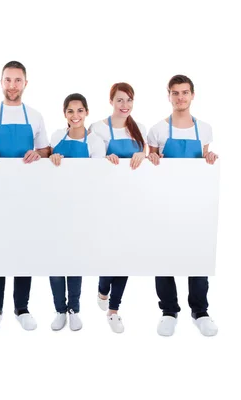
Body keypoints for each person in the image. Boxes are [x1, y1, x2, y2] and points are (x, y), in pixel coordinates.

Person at [0, 61, 50, 331]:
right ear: (1, 82)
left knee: (24, 249)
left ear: (25, 83)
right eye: (8, 80)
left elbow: (46, 151)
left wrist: (38, 154)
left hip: (27, 195)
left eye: (18, 80)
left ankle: (22, 307)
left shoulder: (36, 116)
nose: (12, 85)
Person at [146, 74, 218, 337]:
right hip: (163, 203)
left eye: (184, 92)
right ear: (169, 96)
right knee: (163, 257)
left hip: (195, 203)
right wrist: (151, 158)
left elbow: (203, 164)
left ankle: (200, 312)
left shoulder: (205, 129)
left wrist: (208, 156)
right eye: (175, 93)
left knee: (197, 256)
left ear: (192, 95)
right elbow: (149, 165)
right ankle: (168, 311)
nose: (180, 97)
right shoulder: (157, 129)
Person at [88, 82, 147, 333]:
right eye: (120, 100)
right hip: (105, 201)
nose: (125, 105)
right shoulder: (97, 128)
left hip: (132, 201)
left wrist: (144, 155)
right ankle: (102, 288)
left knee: (126, 256)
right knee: (109, 252)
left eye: (129, 100)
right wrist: (105, 159)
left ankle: (114, 310)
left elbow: (150, 161)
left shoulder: (140, 129)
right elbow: (92, 160)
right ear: (111, 101)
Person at [48, 93, 106, 331]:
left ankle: (74, 309)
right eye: (70, 111)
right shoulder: (55, 137)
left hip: (81, 208)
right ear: (65, 114)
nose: (75, 116)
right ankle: (59, 310)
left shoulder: (95, 142)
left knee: (75, 260)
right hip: (55, 207)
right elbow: (46, 173)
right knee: (54, 261)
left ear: (87, 113)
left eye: (80, 110)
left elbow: (97, 178)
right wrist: (52, 158)